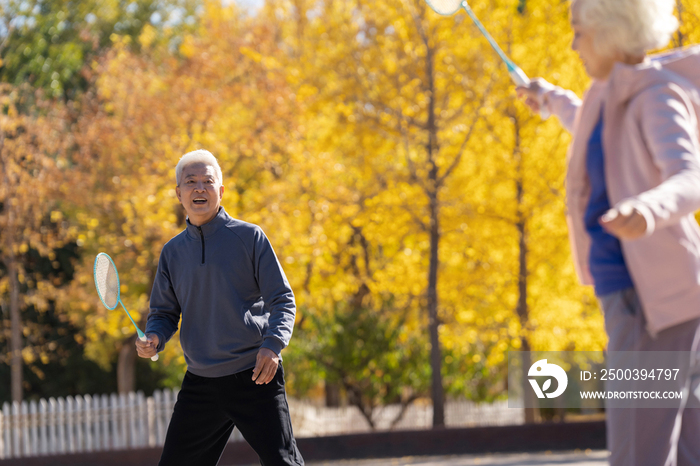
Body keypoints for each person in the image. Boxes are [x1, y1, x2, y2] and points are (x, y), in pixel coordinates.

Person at [517, 0, 700, 465]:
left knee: (638, 453)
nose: (573, 44)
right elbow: (587, 123)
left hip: (650, 304)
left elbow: (688, 175)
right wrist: (548, 97)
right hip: (651, 299)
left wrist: (648, 208)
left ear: (611, 32)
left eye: (580, 32)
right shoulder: (610, 94)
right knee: (683, 450)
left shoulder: (656, 96)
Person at [135, 149, 304, 466]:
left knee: (284, 463)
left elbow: (282, 298)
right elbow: (163, 313)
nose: (199, 188)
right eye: (191, 182)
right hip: (200, 381)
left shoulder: (249, 237)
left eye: (207, 181)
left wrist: (273, 345)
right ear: (179, 193)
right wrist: (155, 337)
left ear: (221, 191)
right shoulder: (171, 253)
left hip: (255, 375)